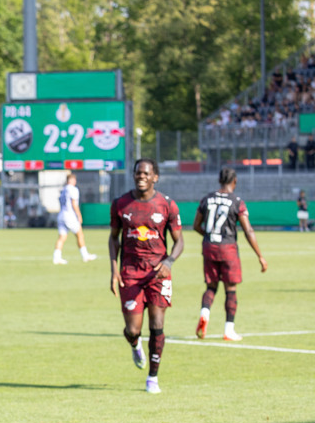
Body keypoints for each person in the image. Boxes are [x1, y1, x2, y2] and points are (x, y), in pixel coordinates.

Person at [109, 159, 184, 394]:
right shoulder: (121, 204)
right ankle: (135, 345)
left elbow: (179, 240)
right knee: (132, 330)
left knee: (157, 324)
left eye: (146, 173)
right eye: (138, 173)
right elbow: (114, 238)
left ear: (155, 177)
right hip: (130, 273)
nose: (141, 176)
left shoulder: (167, 205)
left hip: (157, 273)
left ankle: (153, 377)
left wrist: (169, 261)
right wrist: (113, 270)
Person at [193, 168, 268, 342]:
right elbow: (248, 230)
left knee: (211, 287)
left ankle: (205, 314)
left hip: (209, 246)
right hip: (228, 248)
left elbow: (196, 225)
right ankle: (229, 330)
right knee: (230, 289)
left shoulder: (207, 198)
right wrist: (260, 256)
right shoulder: (237, 202)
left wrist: (209, 237)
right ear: (235, 181)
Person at [53, 173, 97, 264]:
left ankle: (56, 257)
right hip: (70, 215)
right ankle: (85, 255)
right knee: (80, 234)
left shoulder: (63, 190)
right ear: (73, 180)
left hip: (61, 214)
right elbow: (74, 204)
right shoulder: (73, 189)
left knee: (62, 237)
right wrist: (79, 215)